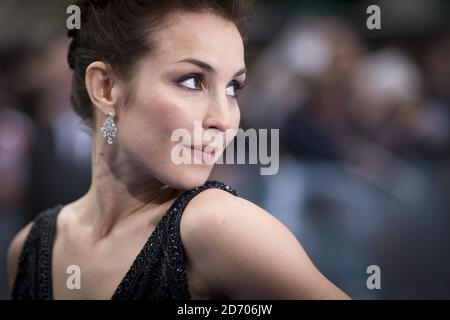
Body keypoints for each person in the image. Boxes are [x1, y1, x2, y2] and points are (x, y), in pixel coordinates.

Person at [7, 0, 349, 300]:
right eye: (191, 81)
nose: (225, 120)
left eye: (233, 88)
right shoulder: (29, 249)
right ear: (106, 87)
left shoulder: (217, 227)